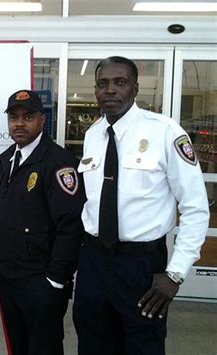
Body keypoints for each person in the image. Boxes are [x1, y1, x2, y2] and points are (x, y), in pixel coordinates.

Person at [73, 56, 209, 355]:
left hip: (141, 265)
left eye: (119, 82)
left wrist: (175, 273)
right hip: (93, 261)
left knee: (142, 344)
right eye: (102, 84)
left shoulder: (165, 132)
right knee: (92, 342)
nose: (110, 90)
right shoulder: (93, 134)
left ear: (135, 88)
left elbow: (196, 207)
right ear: (95, 91)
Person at [0, 89, 85, 355]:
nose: (19, 123)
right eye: (13, 117)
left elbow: (72, 226)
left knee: (44, 349)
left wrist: (55, 280)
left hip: (41, 280)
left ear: (42, 120)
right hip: (9, 277)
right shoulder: (5, 160)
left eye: (28, 116)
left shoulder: (58, 163)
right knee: (17, 346)